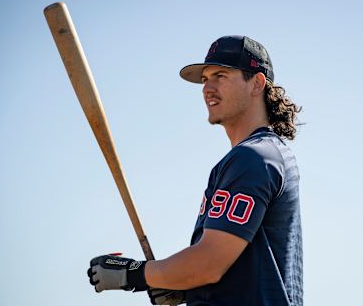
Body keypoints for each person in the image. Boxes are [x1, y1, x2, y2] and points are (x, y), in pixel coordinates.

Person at [87, 35, 303, 306]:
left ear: (257, 83)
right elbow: (233, 267)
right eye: (205, 79)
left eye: (220, 76)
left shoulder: (254, 158)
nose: (207, 89)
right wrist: (179, 284)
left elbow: (209, 263)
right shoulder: (263, 154)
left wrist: (134, 273)